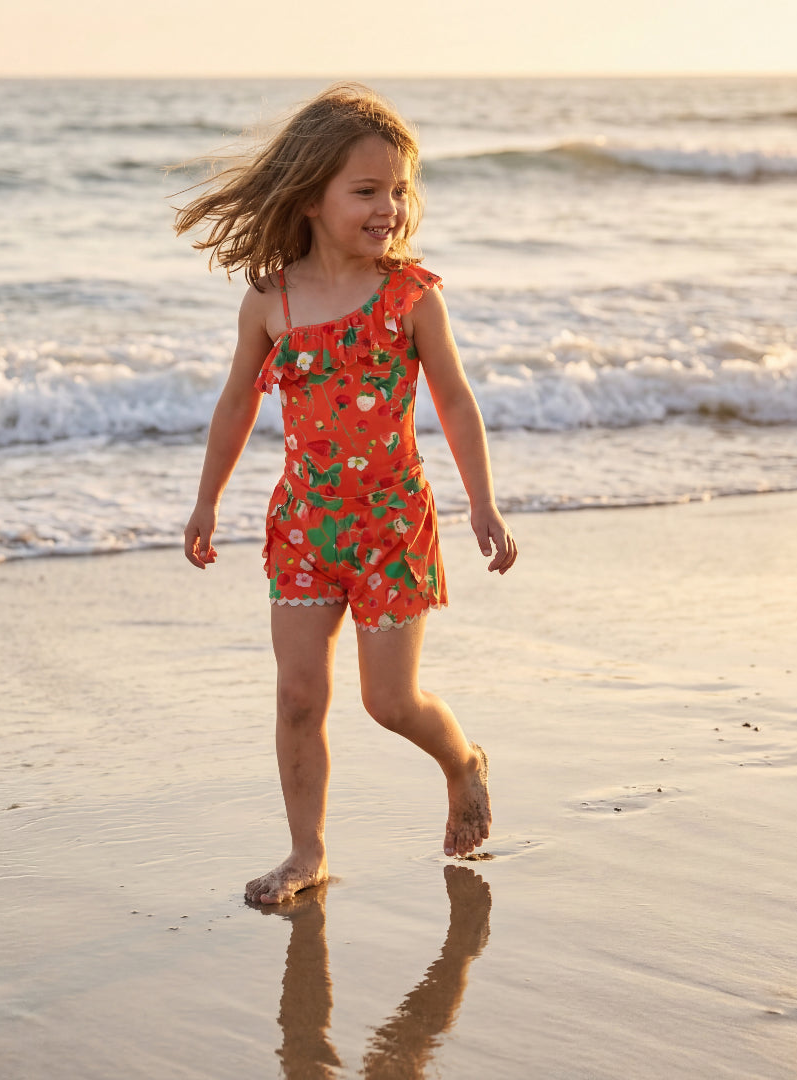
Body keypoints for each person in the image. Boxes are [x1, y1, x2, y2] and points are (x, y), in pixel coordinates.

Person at [175, 84, 517, 905]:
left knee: (389, 702)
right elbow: (235, 404)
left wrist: (483, 502)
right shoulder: (272, 300)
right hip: (303, 527)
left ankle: (461, 758)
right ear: (310, 198)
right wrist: (205, 501)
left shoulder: (411, 297)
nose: (389, 209)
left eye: (398, 191)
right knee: (298, 697)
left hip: (392, 524)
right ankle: (306, 853)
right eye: (367, 192)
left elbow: (457, 402)